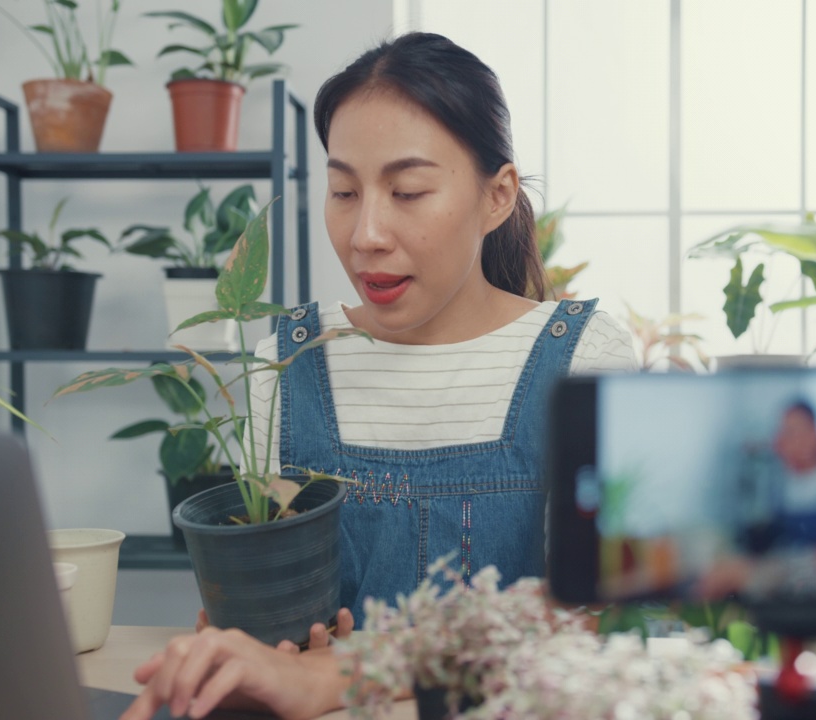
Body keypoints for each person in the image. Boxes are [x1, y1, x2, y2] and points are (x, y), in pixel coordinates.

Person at [120, 32, 635, 720]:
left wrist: (336, 676)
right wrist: (242, 639)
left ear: (497, 196)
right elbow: (273, 607)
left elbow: (579, 617)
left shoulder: (585, 359)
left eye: (408, 190)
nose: (365, 234)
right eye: (343, 190)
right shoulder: (290, 358)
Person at [696, 400, 816, 601]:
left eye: (790, 433)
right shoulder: (778, 483)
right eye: (781, 433)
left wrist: (783, 567)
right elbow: (760, 537)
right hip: (776, 580)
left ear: (815, 435)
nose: (780, 442)